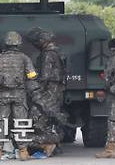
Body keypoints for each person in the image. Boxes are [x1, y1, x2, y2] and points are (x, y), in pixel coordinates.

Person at [0, 31, 37, 161]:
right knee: (20, 122)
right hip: (19, 95)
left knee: (1, 122)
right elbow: (32, 75)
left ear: (6, 43)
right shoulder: (24, 58)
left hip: (2, 95)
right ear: (19, 43)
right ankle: (23, 152)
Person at [26, 28, 66, 157]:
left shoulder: (48, 54)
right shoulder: (58, 52)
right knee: (51, 119)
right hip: (56, 90)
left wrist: (35, 88)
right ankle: (55, 145)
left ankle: (49, 143)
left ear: (42, 41)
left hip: (48, 91)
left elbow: (45, 76)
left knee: (37, 118)